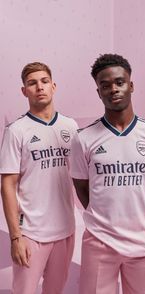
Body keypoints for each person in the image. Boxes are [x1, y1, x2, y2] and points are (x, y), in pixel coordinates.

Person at [70, 53, 145, 294]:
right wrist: (105, 215)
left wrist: (138, 210)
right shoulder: (83, 138)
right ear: (98, 92)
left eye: (119, 82)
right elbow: (82, 187)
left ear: (131, 85)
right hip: (99, 241)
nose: (113, 89)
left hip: (143, 242)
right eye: (105, 85)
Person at [0, 62, 78, 294]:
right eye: (32, 83)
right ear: (24, 91)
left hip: (65, 229)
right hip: (31, 233)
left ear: (53, 86)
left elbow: (81, 176)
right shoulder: (16, 130)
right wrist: (16, 237)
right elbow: (7, 184)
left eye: (44, 81)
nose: (39, 87)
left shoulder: (71, 127)